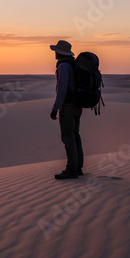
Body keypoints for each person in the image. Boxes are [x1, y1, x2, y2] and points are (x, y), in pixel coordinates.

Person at [49, 40, 84, 179]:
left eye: (56, 50)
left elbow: (62, 90)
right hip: (77, 105)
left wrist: (55, 108)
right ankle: (78, 167)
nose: (55, 53)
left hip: (68, 106)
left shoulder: (64, 66)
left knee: (68, 137)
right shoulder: (73, 64)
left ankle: (71, 169)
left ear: (60, 52)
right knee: (75, 135)